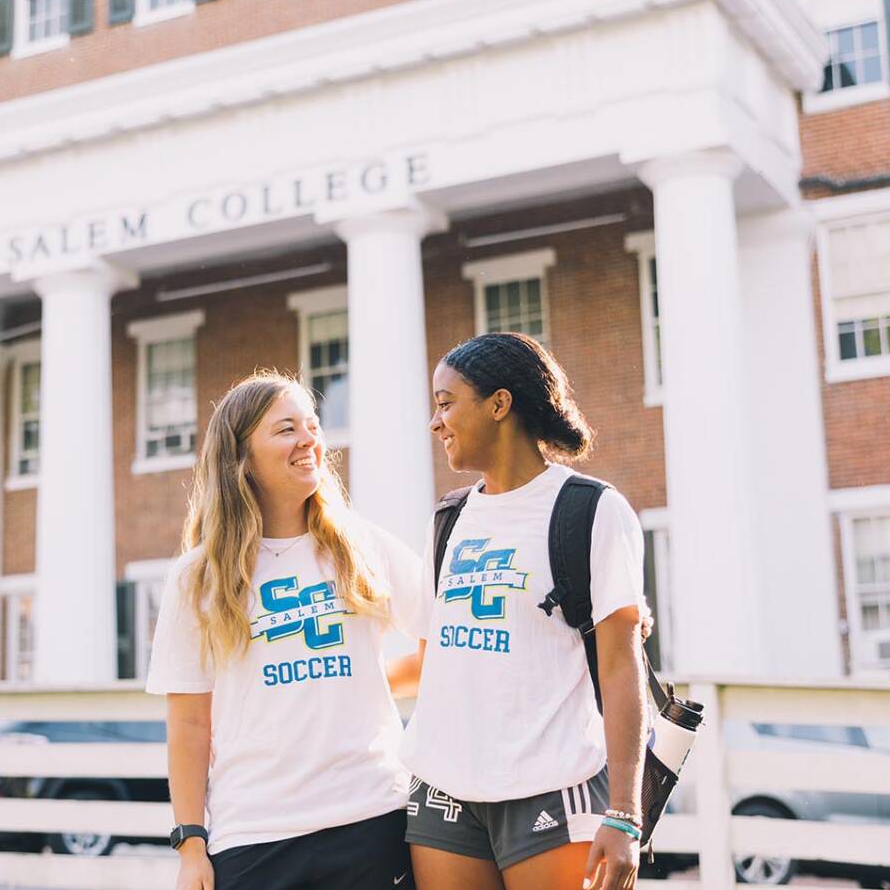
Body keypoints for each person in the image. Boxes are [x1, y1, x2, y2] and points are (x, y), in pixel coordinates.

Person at [146, 371, 426, 890]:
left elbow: (441, 635)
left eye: (313, 425)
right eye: (286, 429)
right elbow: (188, 724)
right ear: (242, 457)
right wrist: (190, 846)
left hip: (372, 816)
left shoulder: (361, 546)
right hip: (254, 834)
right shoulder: (197, 577)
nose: (309, 440)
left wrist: (364, 684)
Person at [400, 332, 649, 890]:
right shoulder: (447, 520)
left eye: (445, 404)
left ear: (499, 404)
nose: (435, 423)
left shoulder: (590, 510)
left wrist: (626, 812)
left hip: (553, 784)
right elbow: (429, 659)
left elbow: (619, 667)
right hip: (443, 787)